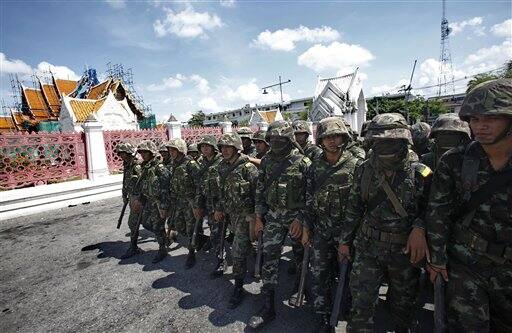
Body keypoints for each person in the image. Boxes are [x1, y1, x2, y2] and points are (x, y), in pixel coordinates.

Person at [426, 78, 512, 332]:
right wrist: (438, 260)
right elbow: (438, 210)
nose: (481, 126)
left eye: (491, 118)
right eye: (474, 119)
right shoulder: (456, 161)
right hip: (466, 264)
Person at [338, 113, 431, 332]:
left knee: (403, 309)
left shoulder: (421, 172)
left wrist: (420, 227)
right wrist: (344, 241)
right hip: (368, 248)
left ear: (404, 140)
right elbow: (354, 207)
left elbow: (434, 209)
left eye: (391, 140)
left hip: (404, 253)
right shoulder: (364, 169)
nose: (385, 145)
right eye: (379, 140)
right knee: (360, 307)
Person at [248, 120, 312, 329]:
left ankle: (301, 288)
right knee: (270, 258)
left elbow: (311, 195)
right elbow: (260, 191)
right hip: (274, 217)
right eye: (272, 139)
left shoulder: (303, 162)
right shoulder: (266, 162)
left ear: (289, 140)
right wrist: (259, 217)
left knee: (300, 255)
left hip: (296, 218)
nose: (276, 142)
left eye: (280, 139)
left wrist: (301, 218)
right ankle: (268, 306)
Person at [303, 117, 361, 332]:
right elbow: (308, 200)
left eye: (336, 136)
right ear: (321, 140)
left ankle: (347, 308)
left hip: (349, 232)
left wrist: (347, 238)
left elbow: (360, 205)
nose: (332, 141)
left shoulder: (356, 165)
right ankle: (323, 316)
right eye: (327, 137)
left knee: (350, 275)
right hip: (321, 231)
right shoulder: (314, 167)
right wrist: (307, 227)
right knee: (319, 274)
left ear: (343, 138)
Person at [215, 133, 259, 308]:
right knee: (244, 247)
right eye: (222, 148)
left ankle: (238, 287)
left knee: (238, 252)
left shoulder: (248, 168)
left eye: (228, 147)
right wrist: (219, 208)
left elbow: (259, 195)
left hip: (247, 216)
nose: (225, 151)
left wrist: (257, 218)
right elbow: (221, 191)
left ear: (236, 148)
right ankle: (255, 260)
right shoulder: (222, 167)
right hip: (231, 215)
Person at [130, 140, 170, 263]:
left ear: (151, 152)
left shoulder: (159, 167)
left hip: (157, 202)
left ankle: (162, 248)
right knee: (146, 223)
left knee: (158, 226)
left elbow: (166, 186)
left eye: (145, 152)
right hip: (147, 201)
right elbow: (143, 184)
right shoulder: (144, 167)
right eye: (141, 152)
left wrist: (163, 206)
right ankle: (166, 237)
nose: (142, 155)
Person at [167, 138, 201, 268]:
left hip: (190, 201)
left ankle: (191, 253)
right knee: (180, 227)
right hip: (178, 201)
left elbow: (199, 185)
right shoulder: (173, 164)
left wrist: (197, 204)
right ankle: (199, 240)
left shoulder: (190, 164)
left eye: (173, 150)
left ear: (180, 150)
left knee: (191, 228)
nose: (171, 152)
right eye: (170, 150)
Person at [194, 135, 224, 278]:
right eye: (202, 147)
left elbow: (225, 187)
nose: (204, 149)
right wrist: (198, 205)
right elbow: (199, 187)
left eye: (207, 146)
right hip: (209, 205)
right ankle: (221, 259)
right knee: (216, 233)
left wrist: (220, 206)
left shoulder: (222, 162)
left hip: (224, 204)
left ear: (213, 147)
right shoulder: (201, 163)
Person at [115, 142, 142, 259]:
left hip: (138, 198)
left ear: (128, 153)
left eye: (123, 153)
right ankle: (133, 247)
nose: (121, 156)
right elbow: (125, 181)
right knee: (133, 223)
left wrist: (140, 198)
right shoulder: (127, 164)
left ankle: (168, 235)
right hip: (131, 197)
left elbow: (143, 183)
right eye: (120, 153)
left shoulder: (137, 165)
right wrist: (124, 194)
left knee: (148, 223)